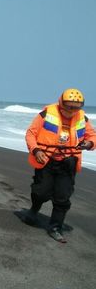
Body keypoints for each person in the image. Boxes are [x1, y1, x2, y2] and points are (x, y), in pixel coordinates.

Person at [23, 88, 96, 243]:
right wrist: (36, 150)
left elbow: (92, 136)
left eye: (77, 107)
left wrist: (89, 143)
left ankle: (55, 227)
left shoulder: (83, 118)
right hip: (46, 159)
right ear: (62, 103)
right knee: (40, 193)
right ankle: (34, 210)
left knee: (63, 197)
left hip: (68, 163)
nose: (72, 110)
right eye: (69, 106)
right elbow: (31, 133)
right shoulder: (46, 114)